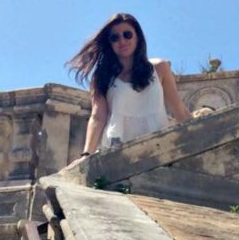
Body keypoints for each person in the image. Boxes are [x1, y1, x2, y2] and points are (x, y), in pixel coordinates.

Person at [67, 12, 192, 156]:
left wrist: (202, 136)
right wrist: (86, 154)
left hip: (157, 150)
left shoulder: (159, 68)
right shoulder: (102, 77)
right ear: (110, 44)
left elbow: (179, 110)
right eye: (115, 38)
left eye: (127, 34)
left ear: (137, 36)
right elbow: (97, 118)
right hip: (116, 153)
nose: (122, 41)